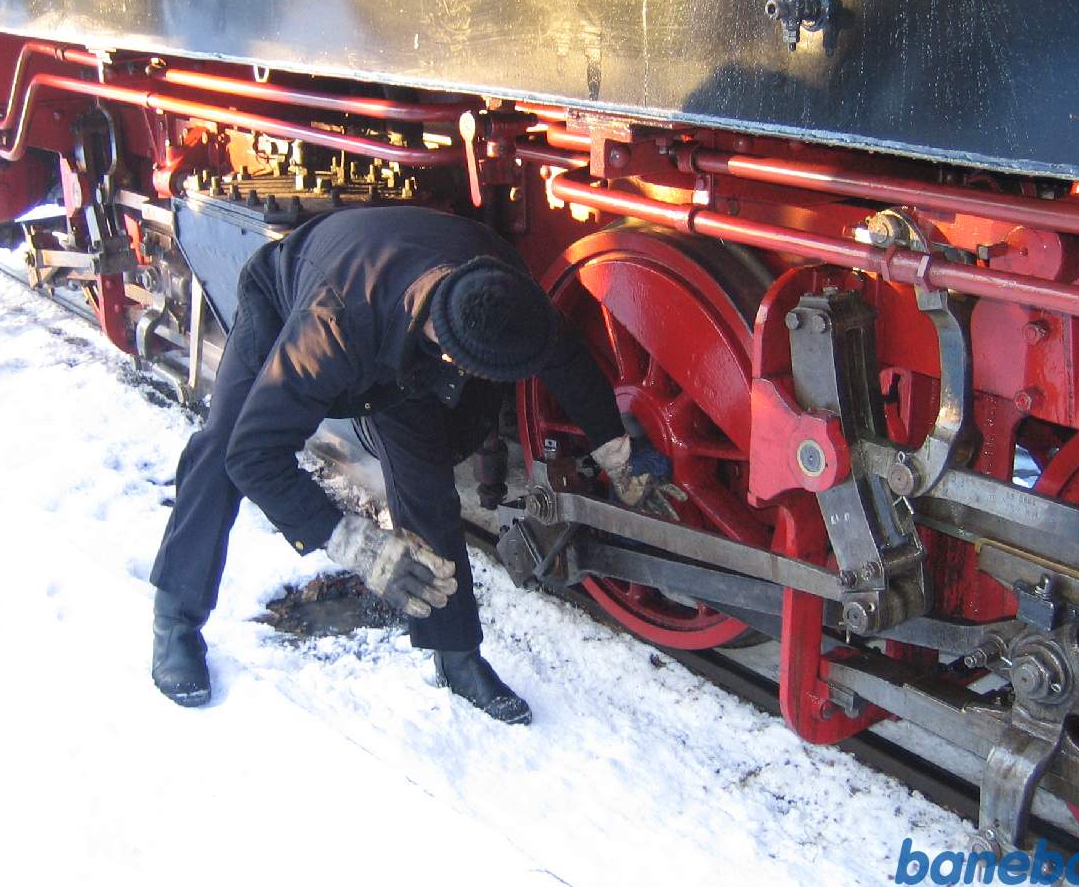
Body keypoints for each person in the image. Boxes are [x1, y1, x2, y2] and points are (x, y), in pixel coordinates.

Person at [148, 205, 682, 722]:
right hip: (290, 293)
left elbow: (562, 357)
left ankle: (457, 657)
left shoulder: (501, 290)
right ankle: (176, 616)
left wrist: (617, 451)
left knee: (426, 489)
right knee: (223, 447)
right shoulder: (330, 328)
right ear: (448, 352)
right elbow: (255, 456)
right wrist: (359, 546)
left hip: (397, 317)